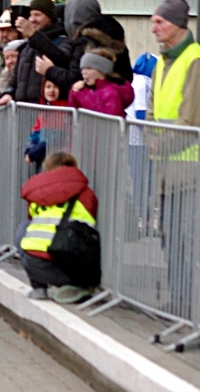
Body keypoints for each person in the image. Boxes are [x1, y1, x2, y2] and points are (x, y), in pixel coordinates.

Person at [19, 151, 99, 303]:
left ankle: (39, 288)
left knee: (24, 229)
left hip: (35, 264)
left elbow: (31, 217)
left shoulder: (37, 192)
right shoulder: (87, 194)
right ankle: (76, 286)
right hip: (71, 265)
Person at [39, 0, 132, 96]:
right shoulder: (113, 37)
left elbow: (74, 79)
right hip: (115, 97)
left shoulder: (85, 40)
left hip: (93, 101)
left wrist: (49, 70)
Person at [0, 0, 67, 106]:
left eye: (38, 15)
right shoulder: (26, 47)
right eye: (31, 15)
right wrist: (8, 93)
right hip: (22, 112)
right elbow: (15, 80)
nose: (32, 19)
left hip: (46, 112)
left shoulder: (63, 41)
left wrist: (34, 35)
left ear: (50, 17)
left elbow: (61, 58)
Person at [148, 0, 199, 126]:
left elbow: (190, 117)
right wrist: (150, 136)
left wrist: (162, 143)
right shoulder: (162, 60)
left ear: (177, 24)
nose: (153, 29)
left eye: (160, 22)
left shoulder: (195, 58)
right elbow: (151, 107)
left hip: (184, 145)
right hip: (163, 145)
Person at [68, 49, 134, 117]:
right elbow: (72, 114)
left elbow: (105, 118)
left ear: (102, 70)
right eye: (82, 69)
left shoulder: (111, 92)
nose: (83, 72)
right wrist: (73, 92)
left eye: (89, 68)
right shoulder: (90, 89)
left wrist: (82, 93)